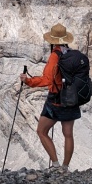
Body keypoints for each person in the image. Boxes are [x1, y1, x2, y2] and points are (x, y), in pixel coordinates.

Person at [20, 22, 79, 172]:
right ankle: (65, 168)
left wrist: (28, 81)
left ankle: (55, 164)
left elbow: (47, 80)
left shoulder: (55, 56)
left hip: (56, 100)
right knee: (68, 135)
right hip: (71, 99)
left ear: (52, 42)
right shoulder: (71, 54)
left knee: (41, 131)